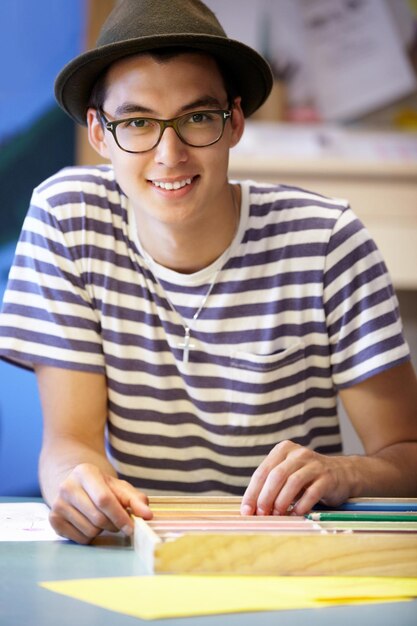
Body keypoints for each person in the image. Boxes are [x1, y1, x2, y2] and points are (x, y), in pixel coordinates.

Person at [1, 0, 416, 544]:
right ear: (100, 135)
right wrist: (74, 485)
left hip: (294, 549)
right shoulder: (68, 219)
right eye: (137, 122)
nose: (169, 154)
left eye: (198, 117)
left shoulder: (326, 240)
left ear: (234, 123)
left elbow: (406, 455)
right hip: (146, 545)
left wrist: (344, 471)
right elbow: (68, 442)